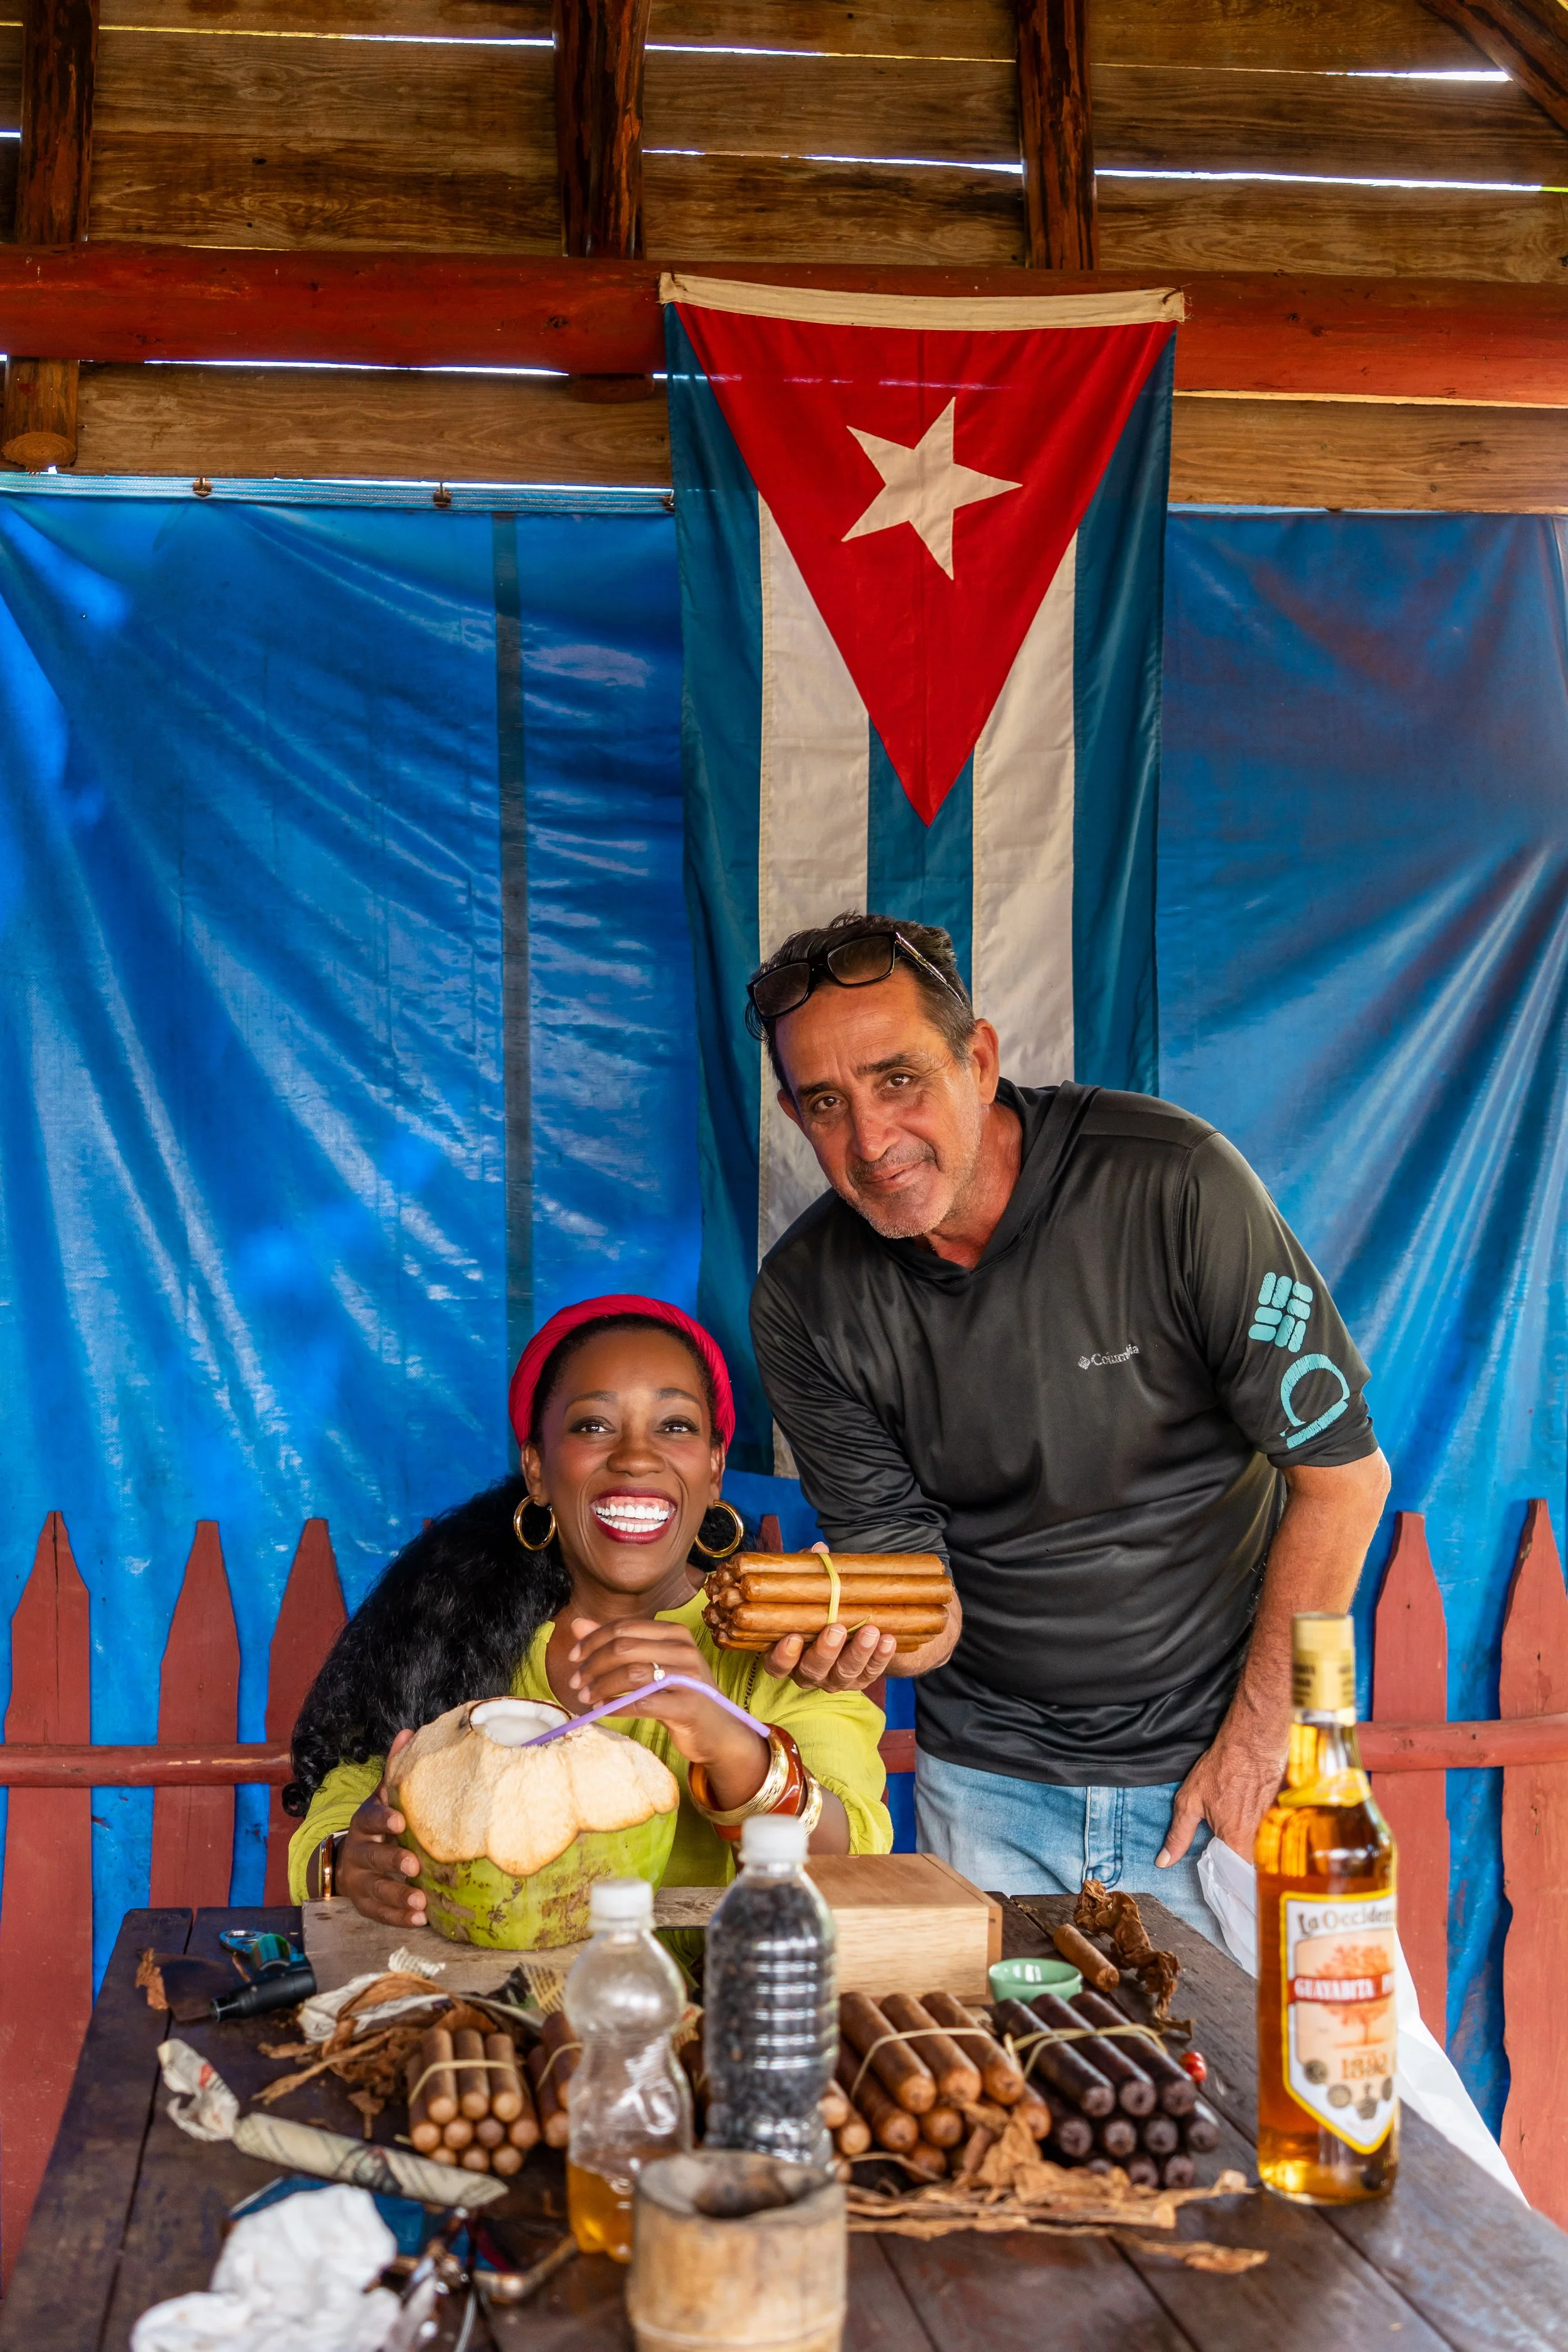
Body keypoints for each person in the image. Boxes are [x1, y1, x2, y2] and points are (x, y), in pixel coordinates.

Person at [746, 912, 1391, 1937]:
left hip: (1229, 1768)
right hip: (989, 1791)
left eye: (899, 1079)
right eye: (828, 1104)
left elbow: (1345, 1480)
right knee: (1031, 2094)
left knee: (1321, 2082)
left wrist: (1264, 1740)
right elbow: (927, 1604)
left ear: (981, 1058)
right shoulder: (805, 1300)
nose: (871, 1141)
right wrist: (857, 1630)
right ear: (792, 1113)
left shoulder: (1173, 1183)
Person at [287, 1295, 892, 1924]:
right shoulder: (455, 1625)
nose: (635, 1456)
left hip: (718, 2009)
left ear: (715, 1469)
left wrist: (727, 1741)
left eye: (676, 1426)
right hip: (489, 2011)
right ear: (538, 1469)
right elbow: (340, 1810)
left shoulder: (789, 1647)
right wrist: (346, 1862)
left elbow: (852, 1856)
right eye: (593, 1426)